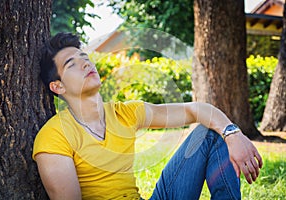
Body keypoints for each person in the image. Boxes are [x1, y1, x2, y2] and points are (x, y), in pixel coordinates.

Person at [32, 32, 263, 200]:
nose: (85, 64)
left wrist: (233, 133)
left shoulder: (124, 113)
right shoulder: (54, 136)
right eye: (72, 64)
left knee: (209, 132)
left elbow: (195, 110)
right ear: (58, 87)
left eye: (85, 57)